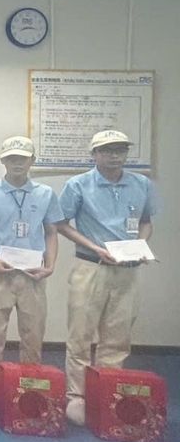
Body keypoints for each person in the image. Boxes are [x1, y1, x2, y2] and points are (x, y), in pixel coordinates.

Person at [57, 129, 158, 426]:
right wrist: (95, 248)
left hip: (127, 269)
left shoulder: (142, 184)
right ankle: (77, 396)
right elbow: (61, 224)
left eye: (120, 150)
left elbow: (146, 221)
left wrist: (141, 244)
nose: (115, 156)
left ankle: (107, 390)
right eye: (107, 150)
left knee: (118, 336)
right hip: (91, 266)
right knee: (80, 334)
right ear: (94, 154)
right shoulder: (78, 185)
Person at [0, 136, 63, 417]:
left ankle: (29, 384)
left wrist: (50, 265)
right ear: (3, 161)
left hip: (33, 273)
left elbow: (52, 232)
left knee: (33, 332)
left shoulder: (46, 194)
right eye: (11, 158)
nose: (17, 163)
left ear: (32, 160)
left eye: (23, 158)